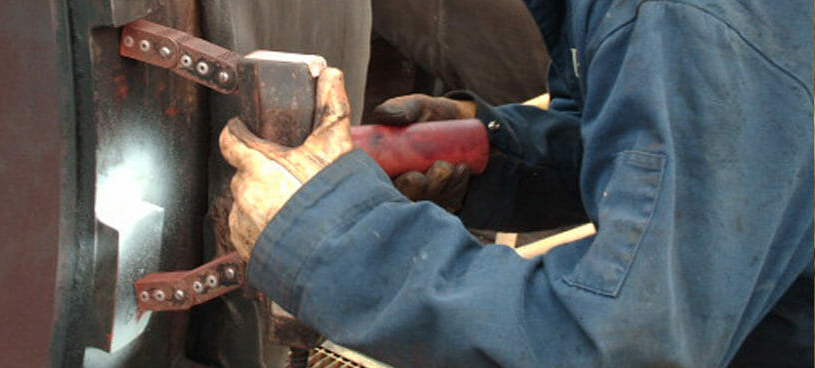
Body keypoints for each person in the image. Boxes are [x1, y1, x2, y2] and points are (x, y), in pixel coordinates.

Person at [220, 1, 814, 367]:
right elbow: (696, 151)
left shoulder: (685, 21)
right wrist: (495, 150)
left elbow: (622, 348)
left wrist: (336, 242)